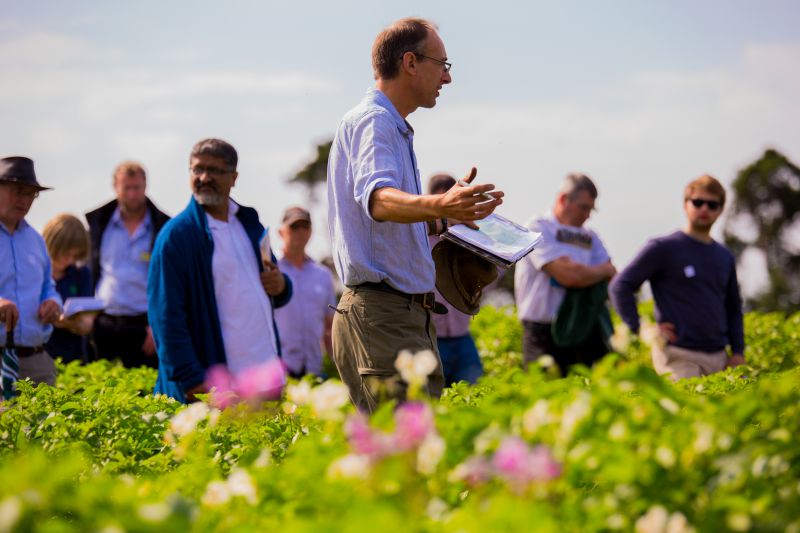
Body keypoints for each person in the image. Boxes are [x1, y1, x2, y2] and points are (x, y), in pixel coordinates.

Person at [327, 17, 503, 412]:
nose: (447, 78)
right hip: (383, 316)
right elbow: (379, 201)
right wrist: (441, 204)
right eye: (443, 65)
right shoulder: (375, 121)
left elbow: (380, 222)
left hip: (394, 316)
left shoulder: (391, 125)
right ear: (410, 62)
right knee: (405, 459)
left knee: (408, 456)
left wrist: (445, 220)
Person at [148, 138, 292, 403]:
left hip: (266, 383)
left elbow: (277, 287)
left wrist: (280, 285)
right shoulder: (177, 237)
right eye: (197, 169)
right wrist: (193, 382)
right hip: (219, 391)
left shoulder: (250, 225)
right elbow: (165, 318)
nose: (204, 177)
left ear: (234, 177)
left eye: (214, 170)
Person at [610, 175, 745, 380]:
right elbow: (620, 286)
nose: (704, 209)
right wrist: (642, 329)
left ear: (720, 210)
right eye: (698, 202)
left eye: (712, 204)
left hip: (719, 358)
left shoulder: (724, 257)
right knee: (687, 410)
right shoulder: (663, 248)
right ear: (685, 204)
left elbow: (733, 307)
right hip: (678, 356)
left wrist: (738, 352)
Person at [514, 173, 616, 374]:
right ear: (563, 199)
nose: (588, 215)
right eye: (584, 207)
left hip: (581, 329)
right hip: (541, 330)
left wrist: (579, 271)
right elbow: (568, 276)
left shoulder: (590, 236)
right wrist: (594, 272)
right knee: (543, 396)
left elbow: (611, 272)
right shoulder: (537, 228)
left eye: (591, 209)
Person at [86, 161, 169, 368]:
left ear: (145, 187)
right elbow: (89, 271)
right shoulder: (99, 223)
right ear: (116, 187)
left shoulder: (163, 227)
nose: (132, 194)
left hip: (145, 327)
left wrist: (158, 325)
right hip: (104, 323)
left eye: (137, 188)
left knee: (146, 395)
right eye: (126, 188)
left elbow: (169, 282)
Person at [0, 156, 62, 390]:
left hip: (36, 362)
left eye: (31, 193)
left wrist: (52, 302)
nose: (25, 200)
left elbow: (48, 286)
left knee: (45, 426)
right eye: (18, 191)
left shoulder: (36, 241)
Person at [427, 174, 483, 385]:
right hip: (431, 338)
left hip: (462, 336)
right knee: (432, 399)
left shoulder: (467, 237)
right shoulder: (418, 239)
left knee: (473, 398)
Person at [274, 206, 337, 379]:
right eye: (294, 226)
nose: (300, 231)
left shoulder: (323, 275)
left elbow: (330, 326)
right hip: (278, 372)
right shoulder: (270, 271)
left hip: (315, 370)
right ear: (281, 232)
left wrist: (335, 366)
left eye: (305, 226)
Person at [42, 214, 95, 363]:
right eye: (65, 253)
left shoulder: (81, 273)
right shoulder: (34, 272)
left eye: (75, 255)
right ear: (52, 243)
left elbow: (87, 324)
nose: (69, 260)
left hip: (74, 357)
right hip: (39, 354)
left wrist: (65, 322)